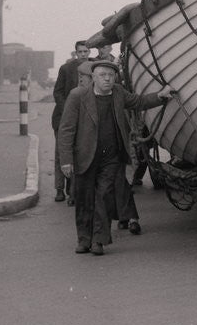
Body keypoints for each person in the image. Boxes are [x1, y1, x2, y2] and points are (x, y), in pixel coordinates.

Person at [57, 60, 173, 256]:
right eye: (102, 75)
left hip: (111, 158)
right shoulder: (78, 96)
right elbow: (66, 130)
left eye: (111, 75)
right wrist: (66, 160)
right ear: (93, 77)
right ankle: (84, 240)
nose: (107, 79)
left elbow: (138, 102)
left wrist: (160, 96)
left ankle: (98, 240)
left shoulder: (118, 93)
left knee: (103, 197)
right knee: (85, 200)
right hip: (85, 157)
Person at [52, 40, 90, 202]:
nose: (83, 54)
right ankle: (59, 189)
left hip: (83, 118)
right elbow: (58, 92)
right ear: (75, 53)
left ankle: (73, 191)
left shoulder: (92, 68)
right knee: (62, 152)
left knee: (79, 153)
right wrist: (67, 109)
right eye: (80, 52)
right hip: (63, 118)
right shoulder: (66, 69)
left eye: (85, 51)